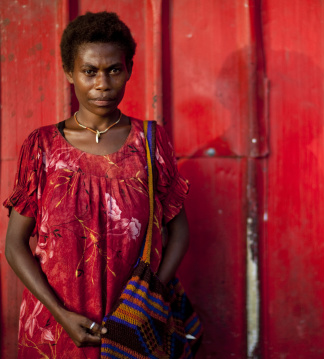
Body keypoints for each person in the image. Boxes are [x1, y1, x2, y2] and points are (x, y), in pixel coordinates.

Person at [4, 11, 192, 358]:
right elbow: (14, 245)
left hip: (133, 328)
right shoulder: (42, 146)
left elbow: (179, 233)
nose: (102, 84)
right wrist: (61, 315)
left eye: (113, 70)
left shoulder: (150, 141)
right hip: (54, 327)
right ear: (69, 73)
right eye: (89, 72)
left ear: (128, 70)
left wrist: (144, 305)